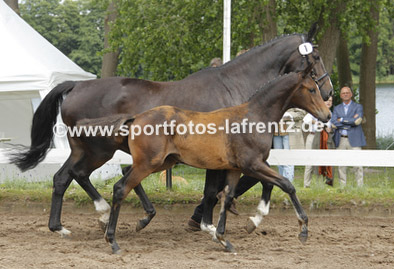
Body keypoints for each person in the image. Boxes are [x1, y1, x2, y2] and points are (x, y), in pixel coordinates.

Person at [331, 86, 366, 187]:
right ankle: (343, 186)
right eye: (343, 93)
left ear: (351, 94)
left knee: (357, 164)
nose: (345, 94)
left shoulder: (358, 107)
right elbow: (333, 123)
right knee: (341, 164)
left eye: (347, 92)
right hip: (340, 139)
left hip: (354, 140)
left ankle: (359, 186)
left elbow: (357, 122)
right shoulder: (336, 108)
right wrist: (350, 121)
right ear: (341, 95)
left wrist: (341, 120)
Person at [313, 96, 335, 186]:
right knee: (318, 161)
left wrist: (331, 128)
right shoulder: (318, 112)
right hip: (319, 138)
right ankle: (319, 183)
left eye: (330, 101)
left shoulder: (332, 114)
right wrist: (317, 123)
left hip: (329, 139)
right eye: (327, 101)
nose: (329, 102)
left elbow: (334, 125)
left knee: (330, 161)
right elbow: (307, 120)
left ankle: (329, 181)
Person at [273, 111, 294, 182]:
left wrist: (288, 116)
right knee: (278, 157)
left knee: (288, 157)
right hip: (276, 132)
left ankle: (289, 180)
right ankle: (281, 180)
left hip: (289, 132)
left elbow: (300, 113)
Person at [303, 111, 320, 188]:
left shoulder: (328, 113)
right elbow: (306, 120)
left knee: (320, 161)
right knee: (308, 160)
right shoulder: (312, 113)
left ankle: (319, 183)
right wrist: (316, 122)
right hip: (312, 136)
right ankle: (306, 184)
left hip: (321, 137)